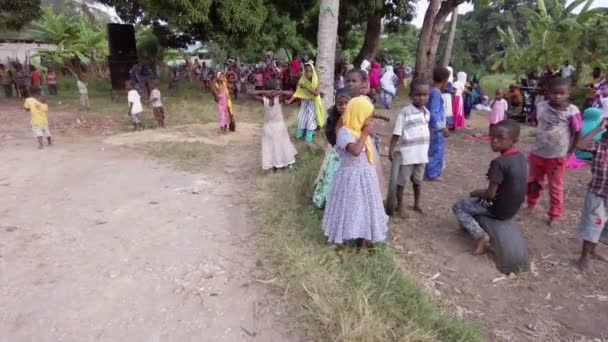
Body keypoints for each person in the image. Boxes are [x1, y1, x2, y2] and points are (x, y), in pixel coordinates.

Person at [322, 96, 388, 248]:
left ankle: (362, 242)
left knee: (365, 208)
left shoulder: (358, 130)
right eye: (368, 117)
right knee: (351, 208)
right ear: (358, 114)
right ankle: (346, 239)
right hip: (350, 180)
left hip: (365, 177)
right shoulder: (345, 132)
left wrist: (364, 132)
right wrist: (365, 134)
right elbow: (356, 151)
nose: (371, 121)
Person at [453, 119, 526, 255]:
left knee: (459, 206)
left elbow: (490, 195)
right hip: (513, 207)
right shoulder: (520, 158)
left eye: (500, 138)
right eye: (492, 136)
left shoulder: (499, 163)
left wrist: (476, 193)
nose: (494, 141)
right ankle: (469, 227)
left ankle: (480, 236)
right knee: (475, 199)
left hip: (498, 209)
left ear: (514, 141)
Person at [527, 77, 582, 225]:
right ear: (547, 92)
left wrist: (570, 151)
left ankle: (555, 214)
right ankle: (531, 204)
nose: (557, 96)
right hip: (538, 153)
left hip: (557, 156)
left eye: (561, 93)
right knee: (533, 182)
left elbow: (577, 131)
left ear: (568, 94)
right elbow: (534, 120)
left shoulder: (571, 111)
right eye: (553, 93)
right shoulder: (541, 107)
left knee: (555, 186)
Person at [388, 79, 431, 218]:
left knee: (418, 181)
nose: (422, 97)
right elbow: (397, 132)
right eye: (418, 94)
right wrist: (391, 149)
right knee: (402, 181)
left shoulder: (427, 112)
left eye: (425, 94)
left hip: (421, 155)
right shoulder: (405, 112)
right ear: (411, 95)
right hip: (407, 155)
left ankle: (417, 203)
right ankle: (399, 205)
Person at [574, 119, 608, 271]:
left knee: (601, 224)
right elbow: (580, 145)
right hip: (597, 192)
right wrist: (597, 129)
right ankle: (584, 256)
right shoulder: (600, 146)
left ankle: (593, 250)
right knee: (593, 224)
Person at [313, 87, 352, 208]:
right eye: (340, 104)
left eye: (347, 103)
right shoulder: (333, 119)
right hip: (337, 154)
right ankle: (330, 201)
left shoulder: (355, 117)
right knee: (333, 176)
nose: (343, 106)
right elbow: (333, 139)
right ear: (336, 105)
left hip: (351, 153)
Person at [252, 79, 297, 171]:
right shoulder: (267, 99)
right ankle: (276, 163)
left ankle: (282, 162)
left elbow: (291, 93)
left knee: (278, 145)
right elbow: (250, 93)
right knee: (274, 146)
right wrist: (268, 92)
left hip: (276, 126)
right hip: (271, 127)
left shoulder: (278, 99)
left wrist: (276, 92)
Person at [287, 61, 325, 142]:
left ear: (313, 71)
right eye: (307, 71)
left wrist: (306, 87)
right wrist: (290, 101)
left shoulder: (316, 80)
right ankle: (299, 135)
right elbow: (298, 92)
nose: (308, 73)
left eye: (310, 71)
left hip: (313, 102)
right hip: (305, 101)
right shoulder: (302, 79)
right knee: (301, 117)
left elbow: (316, 94)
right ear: (304, 71)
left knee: (311, 120)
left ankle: (308, 138)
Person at [425, 67, 451, 180]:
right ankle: (432, 173)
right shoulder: (435, 93)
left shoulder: (432, 91)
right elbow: (434, 112)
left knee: (431, 149)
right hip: (435, 128)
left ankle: (428, 171)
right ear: (444, 80)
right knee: (436, 150)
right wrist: (442, 127)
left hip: (432, 126)